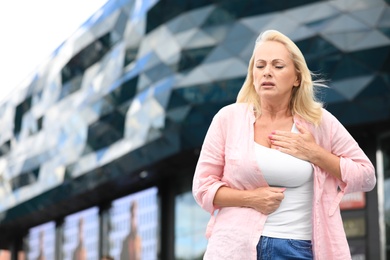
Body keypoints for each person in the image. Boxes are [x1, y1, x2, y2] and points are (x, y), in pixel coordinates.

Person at [192, 29, 376, 260]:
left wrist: (315, 153)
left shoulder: (319, 122)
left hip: (297, 248)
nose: (267, 72)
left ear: (297, 78)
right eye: (260, 66)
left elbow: (366, 175)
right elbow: (202, 188)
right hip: (233, 247)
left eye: (278, 66)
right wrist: (251, 198)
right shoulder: (227, 119)